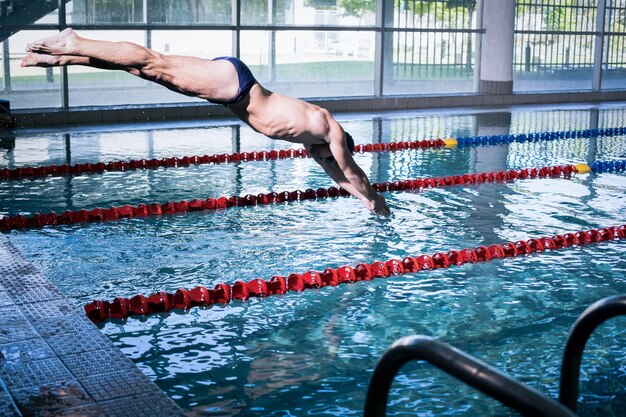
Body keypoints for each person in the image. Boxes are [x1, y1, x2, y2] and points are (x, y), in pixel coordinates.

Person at [22, 28, 390, 216]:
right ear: (335, 148)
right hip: (236, 86)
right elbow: (351, 172)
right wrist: (377, 201)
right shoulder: (330, 130)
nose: (322, 162)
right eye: (327, 157)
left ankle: (65, 58)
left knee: (144, 70)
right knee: (155, 63)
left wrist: (362, 203)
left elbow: (341, 179)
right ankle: (75, 41)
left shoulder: (315, 140)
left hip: (231, 88)